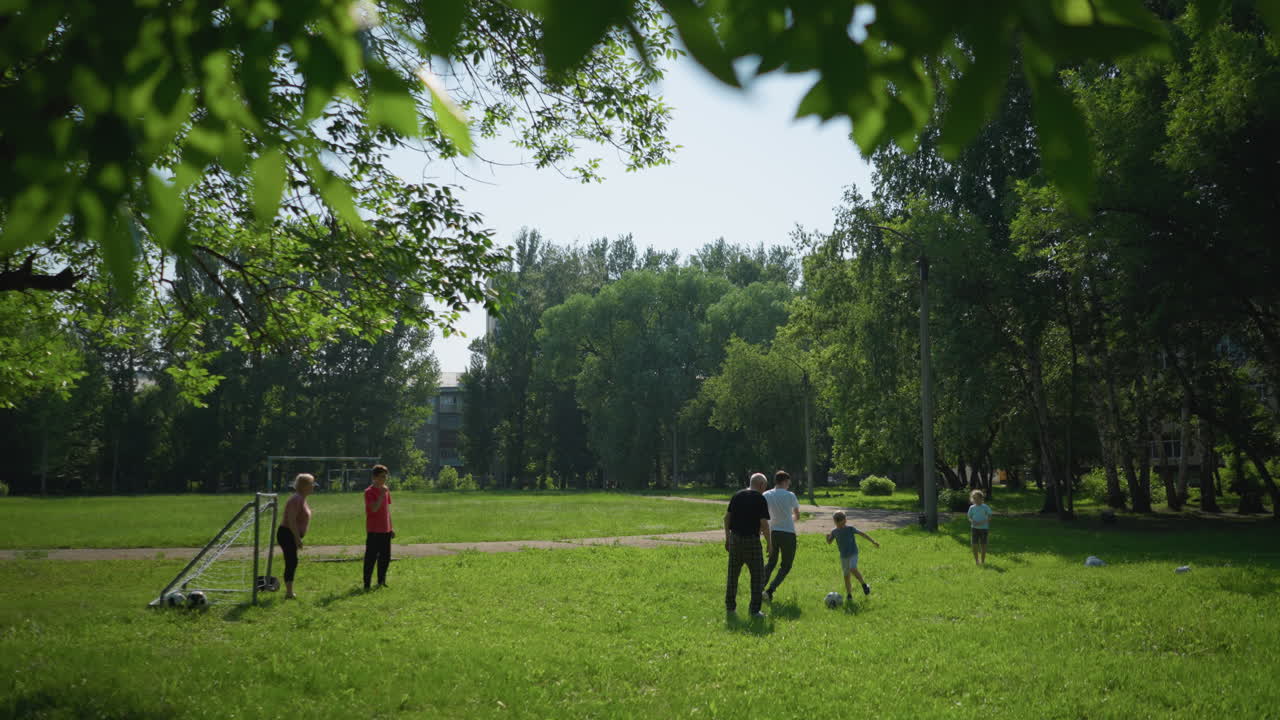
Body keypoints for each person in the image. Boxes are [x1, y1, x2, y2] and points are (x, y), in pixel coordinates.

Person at [724, 472, 773, 618]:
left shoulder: (737, 495)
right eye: (765, 486)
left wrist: (727, 538)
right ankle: (754, 610)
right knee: (757, 576)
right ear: (761, 485)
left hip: (735, 539)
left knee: (733, 575)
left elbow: (727, 518)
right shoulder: (760, 498)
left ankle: (730, 607)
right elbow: (764, 524)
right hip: (751, 541)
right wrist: (769, 544)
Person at [762, 470, 801, 602]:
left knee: (771, 562)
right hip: (788, 533)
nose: (789, 485)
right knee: (786, 565)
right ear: (785, 481)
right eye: (788, 482)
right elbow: (797, 516)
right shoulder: (790, 495)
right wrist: (788, 518)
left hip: (772, 533)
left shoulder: (766, 494)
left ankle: (759, 588)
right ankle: (770, 590)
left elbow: (764, 516)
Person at [825, 511, 878, 604]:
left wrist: (873, 541)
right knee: (846, 576)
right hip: (843, 556)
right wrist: (827, 538)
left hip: (853, 553)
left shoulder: (850, 529)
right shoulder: (834, 531)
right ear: (834, 522)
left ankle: (864, 585)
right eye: (836, 523)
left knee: (852, 568)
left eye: (841, 523)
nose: (839, 525)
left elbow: (862, 534)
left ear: (845, 521)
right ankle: (849, 595)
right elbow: (829, 542)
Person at [277, 473, 315, 600]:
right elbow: (291, 520)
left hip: (291, 534)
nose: (313, 486)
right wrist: (297, 538)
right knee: (291, 561)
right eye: (311, 484)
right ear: (304, 486)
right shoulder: (296, 499)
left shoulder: (302, 498)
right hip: (287, 533)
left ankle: (289, 591)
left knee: (292, 561)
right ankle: (289, 593)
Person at [363, 464, 394, 590]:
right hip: (374, 530)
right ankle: (367, 584)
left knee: (385, 558)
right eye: (382, 476)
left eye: (385, 476)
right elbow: (374, 508)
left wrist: (391, 527)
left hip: (385, 530)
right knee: (371, 558)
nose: (384, 479)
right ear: (374, 477)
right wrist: (381, 494)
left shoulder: (386, 490)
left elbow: (387, 510)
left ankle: (381, 581)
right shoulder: (369, 492)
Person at [968, 489, 992, 566]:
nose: (976, 500)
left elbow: (990, 516)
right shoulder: (972, 507)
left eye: (978, 498)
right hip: (974, 529)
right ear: (972, 499)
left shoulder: (985, 507)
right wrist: (972, 521)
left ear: (982, 498)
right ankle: (976, 561)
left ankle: (983, 561)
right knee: (974, 545)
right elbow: (969, 517)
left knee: (983, 545)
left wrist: (984, 522)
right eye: (974, 498)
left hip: (984, 529)